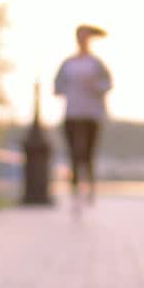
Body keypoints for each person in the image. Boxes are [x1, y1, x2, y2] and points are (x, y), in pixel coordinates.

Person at [54, 25, 112, 206]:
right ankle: (74, 191)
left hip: (92, 114)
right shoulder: (68, 63)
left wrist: (96, 87)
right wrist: (65, 89)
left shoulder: (96, 63)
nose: (82, 40)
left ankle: (90, 190)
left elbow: (108, 84)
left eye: (85, 36)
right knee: (73, 153)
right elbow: (57, 87)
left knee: (88, 154)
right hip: (72, 113)